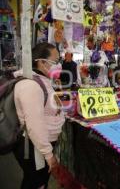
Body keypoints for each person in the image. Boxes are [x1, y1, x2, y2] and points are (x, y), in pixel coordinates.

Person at [13, 42, 65, 189]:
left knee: (37, 180)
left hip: (39, 144)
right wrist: (49, 155)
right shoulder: (31, 85)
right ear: (41, 62)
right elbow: (34, 126)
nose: (58, 65)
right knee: (36, 182)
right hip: (33, 145)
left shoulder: (42, 81)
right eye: (55, 61)